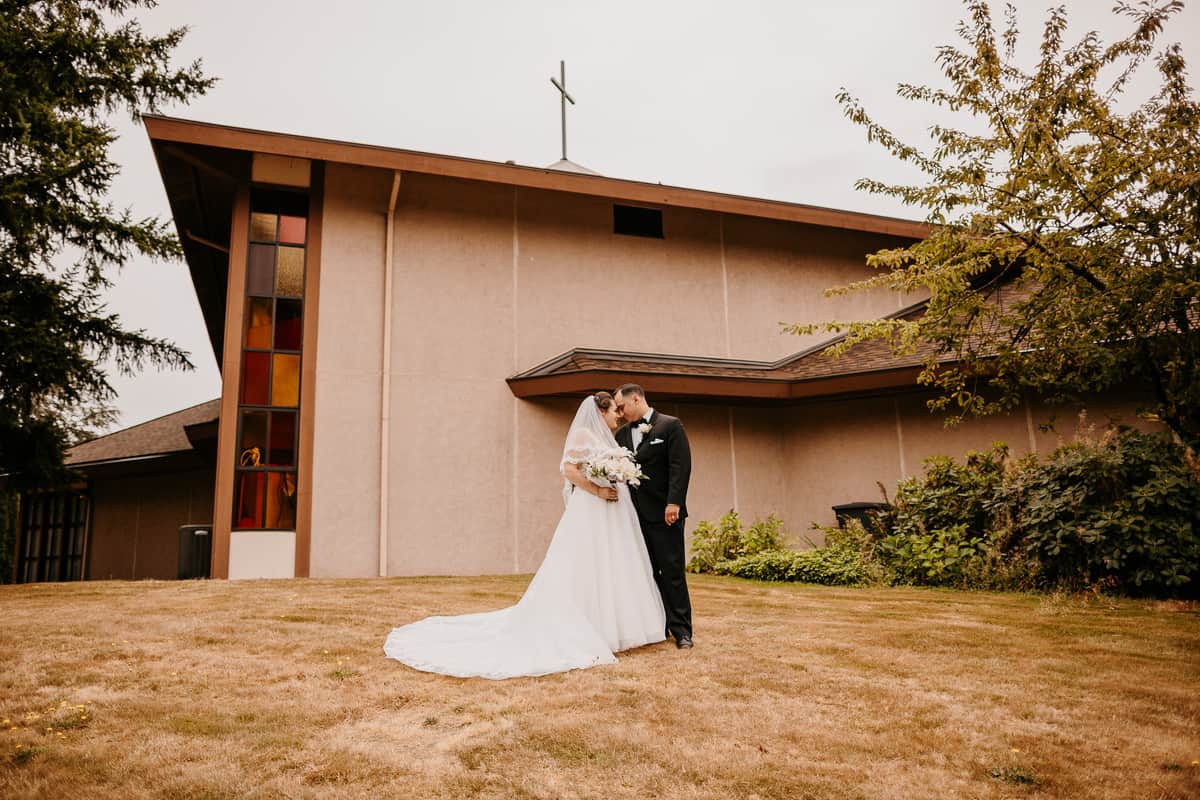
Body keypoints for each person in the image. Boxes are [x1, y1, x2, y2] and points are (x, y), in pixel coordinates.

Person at [383, 392, 666, 679]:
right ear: (600, 411)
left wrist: (617, 476)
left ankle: (614, 626)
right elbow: (568, 470)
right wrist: (597, 490)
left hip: (610, 510)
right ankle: (586, 623)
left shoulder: (607, 439)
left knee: (609, 563)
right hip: (591, 507)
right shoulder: (583, 435)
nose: (618, 415)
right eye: (614, 411)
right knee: (582, 564)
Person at [613, 384, 694, 649]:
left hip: (664, 513)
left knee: (671, 571)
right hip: (633, 517)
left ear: (636, 398)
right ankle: (656, 626)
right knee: (645, 573)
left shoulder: (670, 425)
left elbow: (680, 467)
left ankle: (682, 631)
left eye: (623, 407)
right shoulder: (622, 435)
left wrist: (674, 503)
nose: (621, 413)